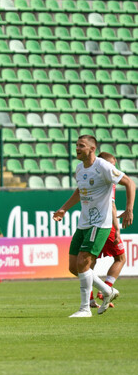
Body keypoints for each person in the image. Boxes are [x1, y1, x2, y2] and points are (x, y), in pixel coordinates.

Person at [52, 135, 135, 318]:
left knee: (84, 262)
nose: (77, 149)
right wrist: (64, 209)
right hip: (84, 222)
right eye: (76, 145)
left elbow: (130, 183)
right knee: (74, 267)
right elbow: (80, 191)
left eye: (81, 146)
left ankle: (84, 309)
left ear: (92, 149)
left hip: (100, 223)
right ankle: (107, 290)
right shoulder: (80, 168)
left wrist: (129, 209)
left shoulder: (103, 166)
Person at [91, 152, 126, 309]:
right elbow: (111, 205)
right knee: (121, 258)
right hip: (106, 224)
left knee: (89, 261)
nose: (114, 168)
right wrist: (117, 228)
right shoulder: (109, 181)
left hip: (91, 223)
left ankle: (90, 300)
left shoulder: (92, 176)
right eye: (112, 165)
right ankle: (105, 290)